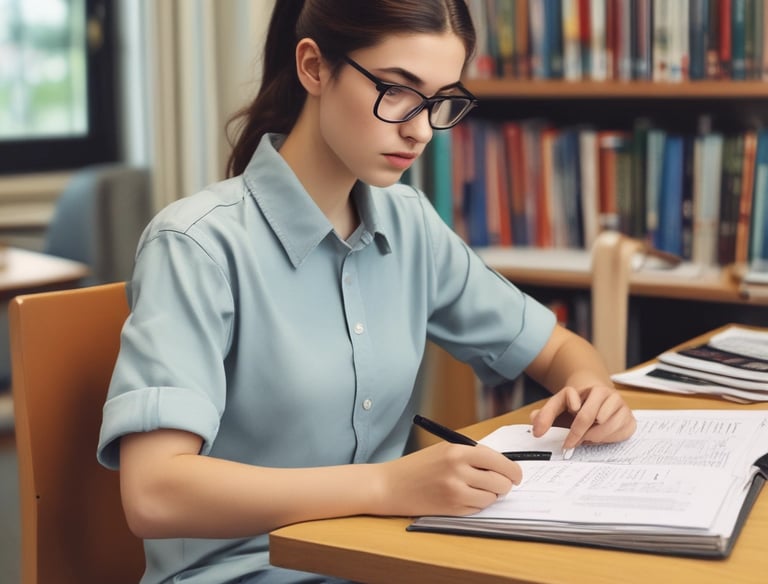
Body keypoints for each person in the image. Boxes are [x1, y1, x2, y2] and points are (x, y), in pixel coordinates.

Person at [97, 1, 637, 582]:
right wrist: (385, 484)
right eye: (398, 91)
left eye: (439, 101)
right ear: (314, 67)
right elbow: (154, 494)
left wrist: (590, 389)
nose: (420, 128)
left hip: (389, 558)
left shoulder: (409, 223)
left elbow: (557, 349)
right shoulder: (196, 245)